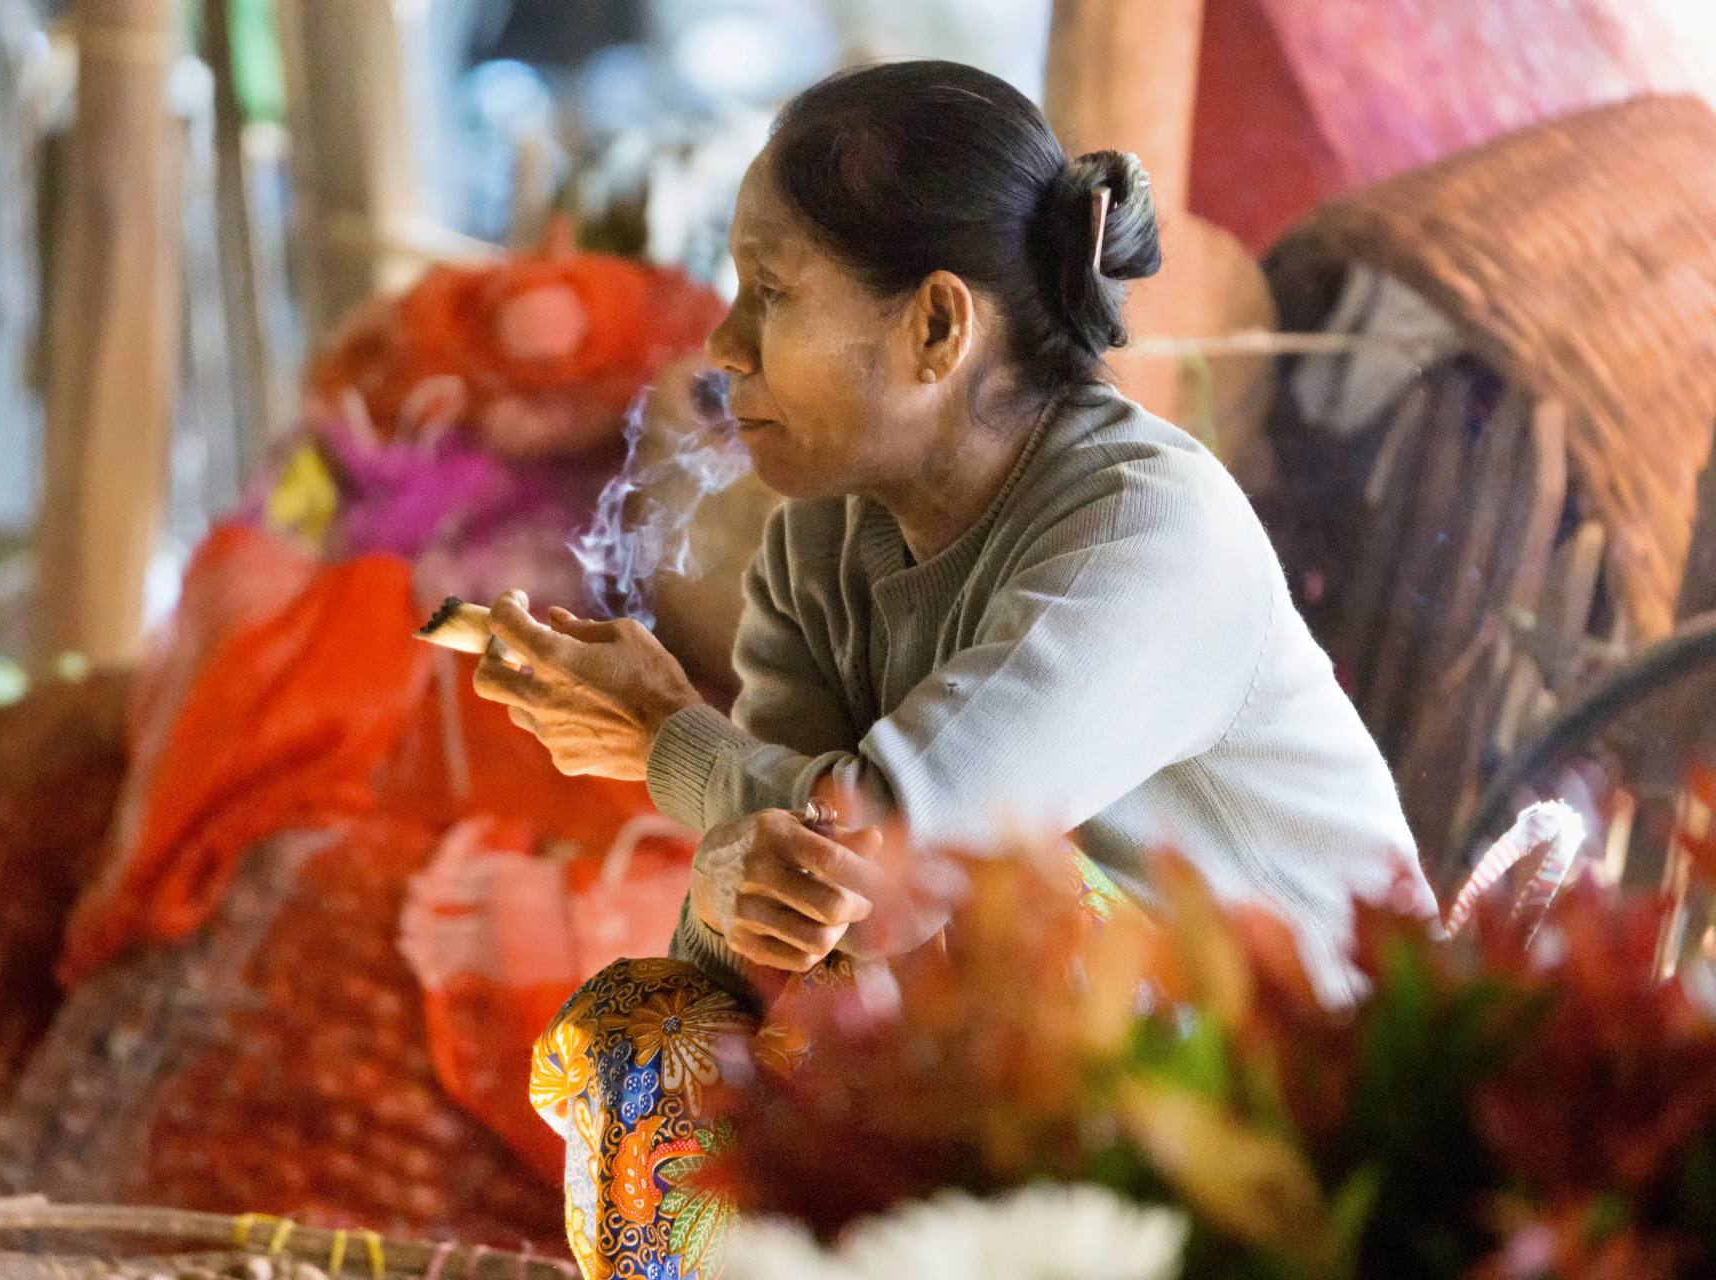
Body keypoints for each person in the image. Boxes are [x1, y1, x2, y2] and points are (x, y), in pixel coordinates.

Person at [485, 60, 1431, 1277]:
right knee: (656, 1035)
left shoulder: (1152, 528)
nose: (724, 343)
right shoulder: (823, 537)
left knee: (1019, 921)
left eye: (769, 290)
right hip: (1065, 1099)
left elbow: (900, 850)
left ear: (938, 325)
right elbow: (788, 886)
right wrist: (740, 878)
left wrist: (670, 741)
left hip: (1303, 1125)